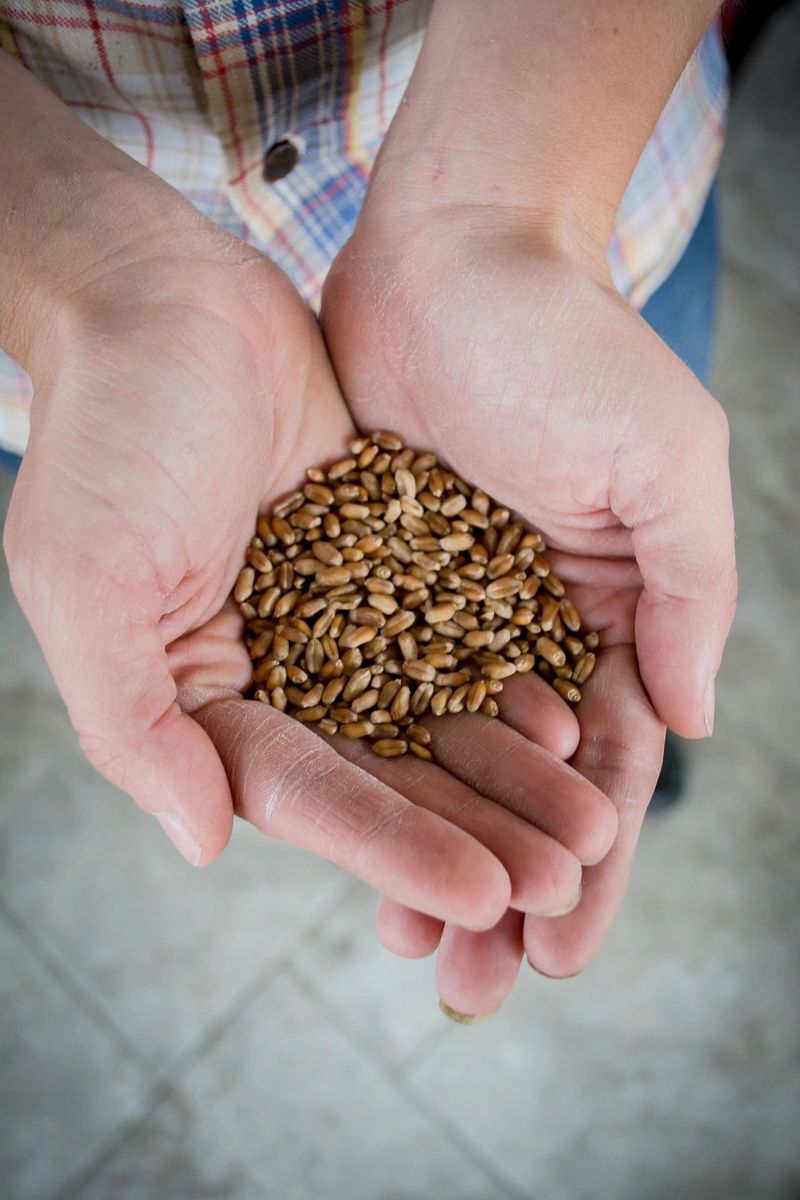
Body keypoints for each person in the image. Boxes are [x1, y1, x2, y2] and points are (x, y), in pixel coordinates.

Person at [0, 2, 737, 1019]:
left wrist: (509, 215)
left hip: (587, 193)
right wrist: (85, 290)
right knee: (594, 676)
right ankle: (575, 780)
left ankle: (587, 778)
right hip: (72, 343)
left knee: (626, 601)